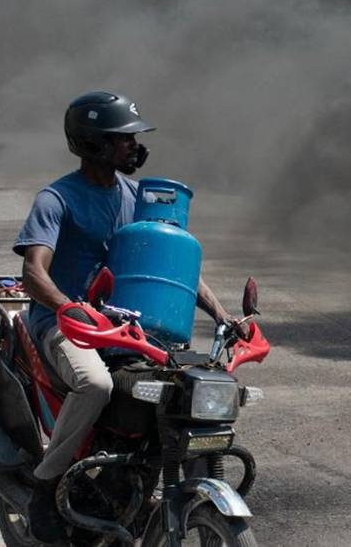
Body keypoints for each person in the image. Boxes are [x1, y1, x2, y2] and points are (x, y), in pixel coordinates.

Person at [13, 91, 234, 542]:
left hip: (125, 328)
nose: (134, 147)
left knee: (186, 388)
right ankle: (46, 485)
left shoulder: (138, 197)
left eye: (134, 139)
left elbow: (175, 265)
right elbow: (34, 272)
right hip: (66, 323)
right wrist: (68, 307)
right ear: (93, 143)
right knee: (95, 383)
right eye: (124, 139)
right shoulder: (57, 198)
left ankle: (140, 479)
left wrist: (226, 317)